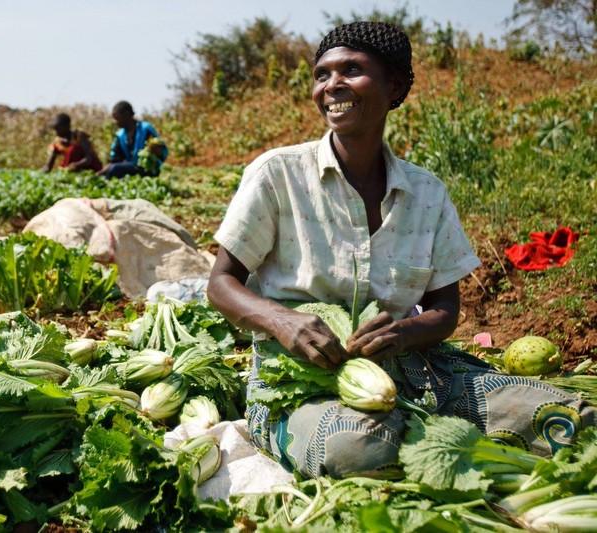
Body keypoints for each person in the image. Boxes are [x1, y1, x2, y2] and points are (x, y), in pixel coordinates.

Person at [206, 21, 595, 479]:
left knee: (572, 418)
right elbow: (220, 283)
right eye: (322, 74)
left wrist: (405, 335)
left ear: (396, 85)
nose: (333, 86)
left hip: (415, 372)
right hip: (296, 384)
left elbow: (445, 309)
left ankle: (434, 433)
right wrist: (280, 320)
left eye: (352, 70)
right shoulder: (278, 175)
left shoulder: (426, 193)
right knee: (361, 448)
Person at [98, 100, 168, 178]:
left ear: (126, 114)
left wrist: (154, 149)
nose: (115, 122)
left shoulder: (145, 129)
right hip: (132, 168)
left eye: (117, 118)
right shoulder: (120, 135)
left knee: (115, 169)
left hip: (148, 169)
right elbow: (114, 159)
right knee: (111, 170)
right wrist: (99, 174)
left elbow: (162, 150)